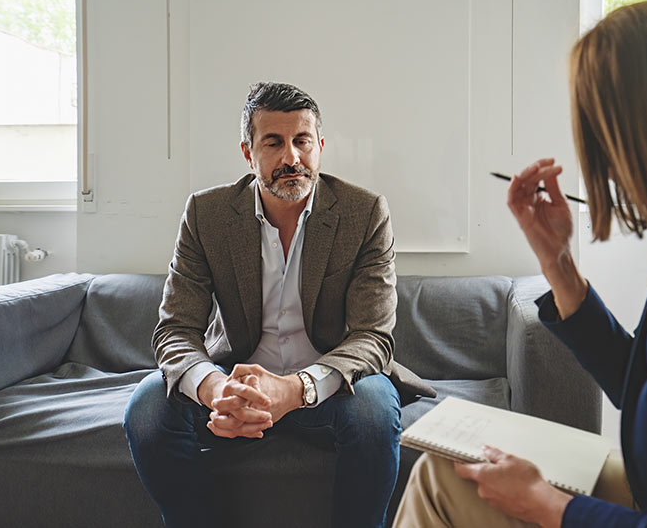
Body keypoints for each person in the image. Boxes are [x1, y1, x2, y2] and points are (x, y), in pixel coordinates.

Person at [394, 0, 647, 527]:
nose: (607, 168)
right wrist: (559, 266)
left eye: (602, 137)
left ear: (643, 136)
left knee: (441, 481)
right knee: (446, 467)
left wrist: (547, 504)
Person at [123, 81, 434, 528]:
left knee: (371, 406)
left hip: (328, 388)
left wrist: (295, 390)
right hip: (237, 386)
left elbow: (373, 337)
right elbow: (175, 330)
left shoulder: (364, 213)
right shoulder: (206, 214)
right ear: (248, 154)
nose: (291, 158)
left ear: (320, 146)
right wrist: (215, 390)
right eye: (274, 142)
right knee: (148, 406)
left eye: (302, 141)